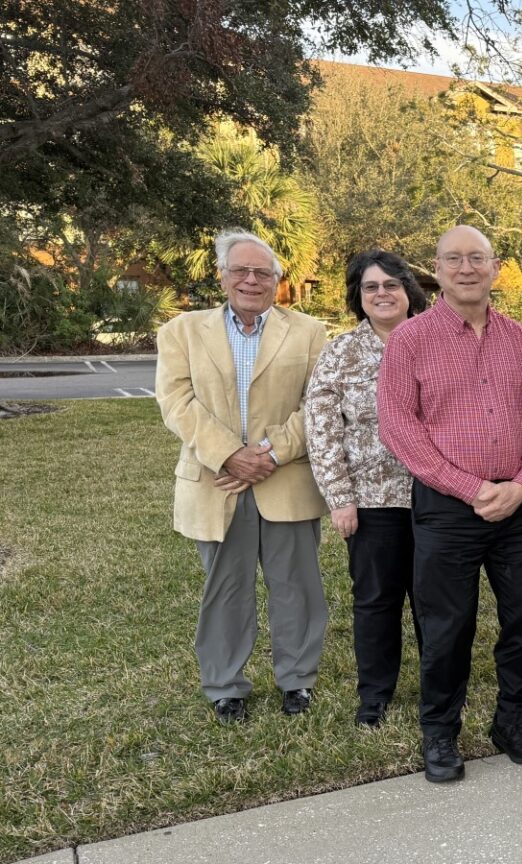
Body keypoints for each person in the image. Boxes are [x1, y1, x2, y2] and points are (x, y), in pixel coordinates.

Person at [377, 225, 522, 783]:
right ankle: (441, 734)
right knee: (447, 624)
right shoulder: (410, 340)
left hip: (518, 504)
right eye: (454, 259)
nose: (466, 268)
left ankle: (512, 721)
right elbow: (398, 426)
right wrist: (468, 487)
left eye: (477, 258)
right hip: (449, 507)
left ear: (495, 267)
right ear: (437, 268)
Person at [154, 228, 329, 724]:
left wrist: (268, 453)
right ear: (222, 276)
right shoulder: (183, 331)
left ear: (278, 280)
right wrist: (231, 454)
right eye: (241, 271)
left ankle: (298, 680)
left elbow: (315, 405)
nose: (251, 280)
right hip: (217, 481)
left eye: (262, 273)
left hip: (286, 478)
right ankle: (225, 685)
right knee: (226, 588)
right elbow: (177, 403)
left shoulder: (309, 332)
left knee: (297, 586)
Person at [304, 249, 429, 728]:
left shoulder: (433, 339)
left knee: (434, 599)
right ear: (359, 296)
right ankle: (375, 694)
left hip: (435, 494)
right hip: (372, 500)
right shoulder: (342, 351)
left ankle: (437, 685)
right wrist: (340, 498)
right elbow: (321, 425)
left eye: (391, 285)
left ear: (408, 290)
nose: (382, 294)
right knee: (376, 601)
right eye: (370, 287)